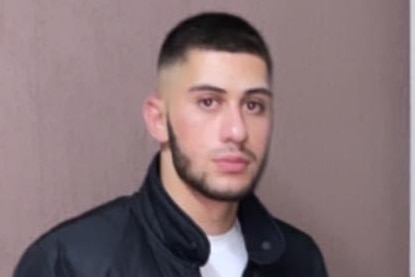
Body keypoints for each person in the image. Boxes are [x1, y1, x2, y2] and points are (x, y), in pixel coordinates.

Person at [14, 12, 328, 277]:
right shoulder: (68, 262)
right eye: (208, 102)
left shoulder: (299, 260)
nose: (237, 130)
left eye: (253, 105)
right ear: (158, 120)